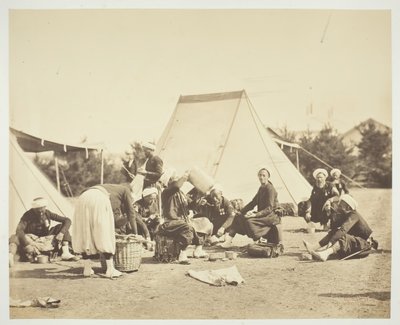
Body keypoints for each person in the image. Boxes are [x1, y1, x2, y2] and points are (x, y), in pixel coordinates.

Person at [72, 183, 150, 278]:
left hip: (82, 197)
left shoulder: (110, 189)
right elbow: (131, 213)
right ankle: (110, 269)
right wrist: (135, 234)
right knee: (105, 232)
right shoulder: (126, 190)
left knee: (85, 231)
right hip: (99, 198)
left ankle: (87, 269)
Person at [220, 168, 284, 250]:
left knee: (249, 221)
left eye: (264, 175)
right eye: (260, 175)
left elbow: (269, 208)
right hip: (263, 214)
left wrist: (256, 214)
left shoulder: (270, 189)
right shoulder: (261, 188)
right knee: (238, 217)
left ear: (268, 177)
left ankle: (259, 240)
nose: (261, 177)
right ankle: (228, 241)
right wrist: (241, 212)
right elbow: (253, 203)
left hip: (271, 216)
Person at [303, 194, 378, 261]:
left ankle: (326, 254)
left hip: (363, 244)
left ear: (348, 207)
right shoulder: (345, 214)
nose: (338, 207)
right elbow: (333, 228)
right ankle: (314, 247)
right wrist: (328, 212)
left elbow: (343, 229)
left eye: (341, 206)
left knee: (344, 236)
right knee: (335, 232)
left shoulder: (354, 215)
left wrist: (331, 242)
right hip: (354, 242)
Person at [9, 197, 77, 267]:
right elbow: (19, 230)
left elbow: (67, 220)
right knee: (14, 237)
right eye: (38, 211)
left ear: (45, 207)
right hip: (32, 240)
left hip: (46, 238)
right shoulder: (27, 215)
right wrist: (26, 244)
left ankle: (65, 253)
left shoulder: (47, 213)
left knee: (60, 227)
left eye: (42, 209)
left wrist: (61, 233)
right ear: (34, 209)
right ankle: (10, 256)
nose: (41, 212)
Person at [156, 170, 206, 264]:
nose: (177, 180)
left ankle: (198, 249)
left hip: (182, 221)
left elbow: (190, 205)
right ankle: (182, 253)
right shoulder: (166, 192)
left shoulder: (181, 194)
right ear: (169, 181)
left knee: (205, 222)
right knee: (187, 227)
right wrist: (184, 177)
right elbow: (176, 186)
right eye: (175, 178)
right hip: (170, 223)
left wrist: (199, 202)